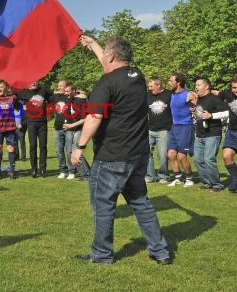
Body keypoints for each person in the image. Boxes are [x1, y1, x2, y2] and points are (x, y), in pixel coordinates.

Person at [71, 36, 170, 265]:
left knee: (103, 207)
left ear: (111, 57)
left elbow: (94, 117)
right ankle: (160, 251)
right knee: (141, 203)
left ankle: (102, 254)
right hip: (137, 156)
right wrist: (94, 46)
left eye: (105, 52)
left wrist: (79, 147)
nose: (103, 56)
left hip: (111, 157)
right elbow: (113, 71)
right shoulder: (136, 76)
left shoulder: (105, 85)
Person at [193, 78, 228, 191]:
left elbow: (227, 112)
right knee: (198, 160)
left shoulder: (214, 99)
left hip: (212, 133)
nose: (196, 87)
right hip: (199, 134)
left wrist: (211, 116)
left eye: (198, 85)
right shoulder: (199, 99)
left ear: (206, 87)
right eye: (196, 85)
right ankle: (207, 183)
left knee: (208, 159)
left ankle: (217, 184)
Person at [166, 73, 197, 187]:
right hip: (174, 127)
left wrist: (194, 109)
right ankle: (178, 177)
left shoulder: (188, 94)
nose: (169, 83)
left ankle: (189, 178)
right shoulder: (172, 94)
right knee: (170, 154)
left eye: (171, 80)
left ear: (178, 82)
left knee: (182, 156)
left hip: (186, 126)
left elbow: (200, 107)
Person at [17, 81, 52, 177]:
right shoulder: (24, 92)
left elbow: (54, 95)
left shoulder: (43, 90)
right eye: (32, 81)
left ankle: (43, 169)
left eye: (36, 81)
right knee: (32, 146)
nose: (34, 82)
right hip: (31, 123)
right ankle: (34, 169)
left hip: (42, 123)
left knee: (43, 146)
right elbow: (13, 95)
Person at [146, 76, 173, 184]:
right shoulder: (147, 95)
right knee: (146, 153)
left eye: (151, 86)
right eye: (148, 86)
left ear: (158, 85)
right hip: (149, 129)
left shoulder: (169, 95)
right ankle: (150, 176)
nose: (149, 88)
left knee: (162, 155)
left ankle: (164, 176)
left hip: (164, 130)